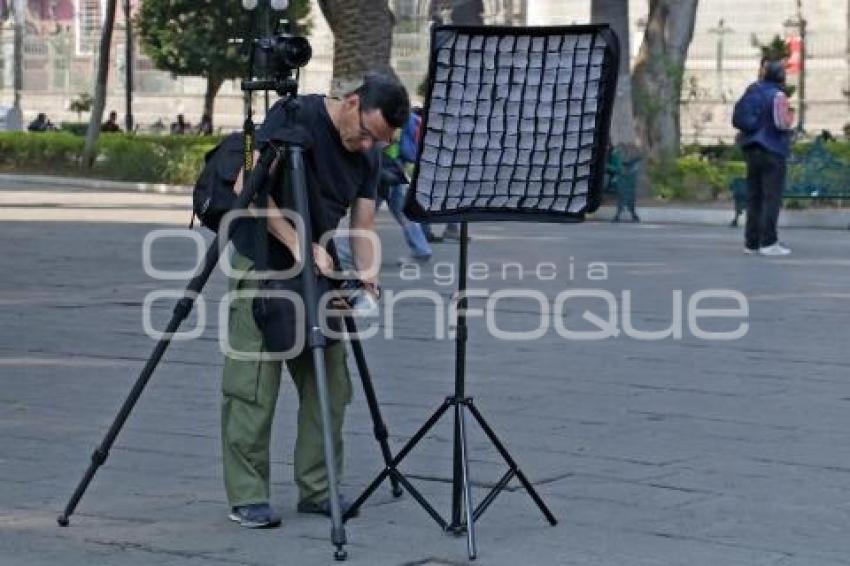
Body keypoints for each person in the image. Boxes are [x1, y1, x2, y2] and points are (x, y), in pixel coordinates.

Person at [221, 72, 410, 529]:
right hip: (264, 260)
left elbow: (362, 227)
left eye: (380, 142)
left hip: (322, 272)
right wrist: (299, 242)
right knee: (253, 386)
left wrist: (367, 280)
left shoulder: (369, 155)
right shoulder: (294, 116)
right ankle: (247, 495)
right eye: (366, 133)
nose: (368, 146)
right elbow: (246, 187)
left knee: (330, 385)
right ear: (351, 102)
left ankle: (319, 489)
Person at [736, 58, 795, 256]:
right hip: (772, 148)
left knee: (754, 196)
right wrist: (790, 119)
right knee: (771, 197)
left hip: (751, 147)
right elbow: (781, 123)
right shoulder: (778, 95)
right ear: (780, 76)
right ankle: (769, 241)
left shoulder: (752, 90)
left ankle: (751, 242)